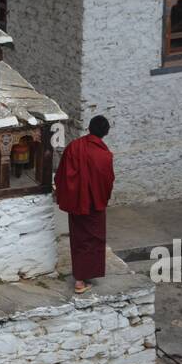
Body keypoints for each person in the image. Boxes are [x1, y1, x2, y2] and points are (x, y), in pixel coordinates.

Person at [54, 115, 115, 294]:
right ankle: (81, 280)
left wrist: (68, 194)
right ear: (106, 132)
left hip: (76, 202)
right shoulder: (104, 156)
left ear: (89, 128)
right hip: (94, 204)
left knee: (79, 238)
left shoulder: (74, 147)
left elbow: (61, 174)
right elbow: (108, 181)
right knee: (93, 239)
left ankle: (81, 277)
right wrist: (102, 198)